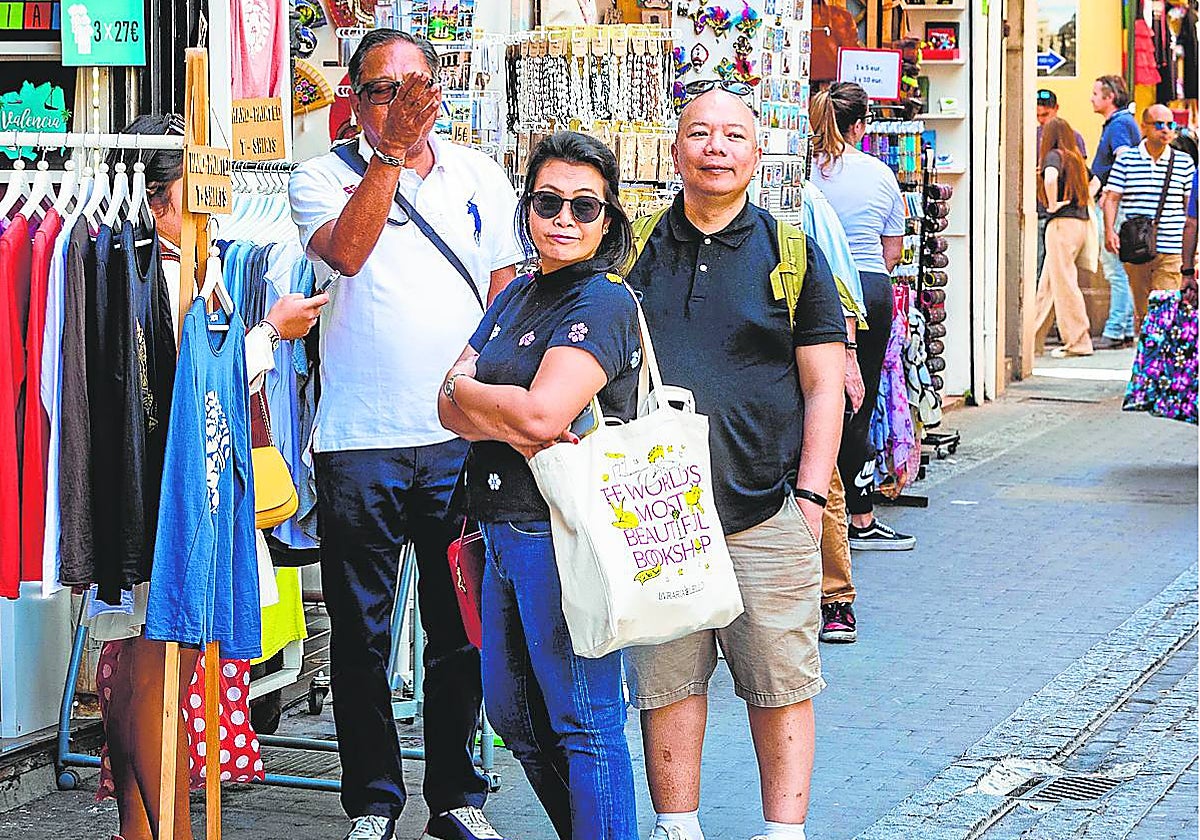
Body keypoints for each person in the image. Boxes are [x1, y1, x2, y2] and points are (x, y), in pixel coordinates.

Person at [288, 29, 522, 840]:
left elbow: (503, 295)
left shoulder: (480, 176)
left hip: (459, 437)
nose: (403, 103)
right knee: (361, 631)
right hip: (360, 437)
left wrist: (485, 391)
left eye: (416, 86)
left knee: (458, 626)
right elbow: (347, 255)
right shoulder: (321, 177)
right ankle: (374, 801)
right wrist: (386, 156)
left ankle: (457, 796)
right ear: (354, 98)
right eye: (383, 89)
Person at [624, 84, 847, 840]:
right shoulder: (635, 248)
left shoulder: (792, 255)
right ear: (676, 148)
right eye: (699, 133)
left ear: (758, 153)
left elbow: (825, 388)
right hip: (660, 517)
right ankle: (675, 827)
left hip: (766, 509)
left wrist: (811, 499)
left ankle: (784, 832)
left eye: (733, 136)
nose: (715, 147)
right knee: (667, 681)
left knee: (780, 681)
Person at [99, 114, 326, 840]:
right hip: (162, 492)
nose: (217, 207)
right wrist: (269, 334)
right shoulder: (148, 269)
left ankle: (145, 826)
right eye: (202, 193)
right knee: (159, 659)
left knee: (156, 658)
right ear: (162, 199)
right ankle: (161, 825)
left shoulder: (191, 262)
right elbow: (193, 393)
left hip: (170, 487)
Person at [438, 130, 641, 839]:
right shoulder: (519, 293)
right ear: (527, 208)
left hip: (560, 531)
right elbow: (443, 405)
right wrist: (508, 417)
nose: (564, 218)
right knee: (513, 716)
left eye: (584, 207)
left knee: (585, 720)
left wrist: (476, 396)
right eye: (548, 201)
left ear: (609, 220)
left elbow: (544, 411)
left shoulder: (604, 302)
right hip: (496, 527)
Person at [809, 83, 915, 555]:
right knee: (859, 399)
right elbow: (892, 249)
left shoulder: (802, 173)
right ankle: (859, 512)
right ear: (859, 126)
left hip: (811, 283)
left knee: (811, 396)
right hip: (868, 286)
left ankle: (812, 503)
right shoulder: (878, 173)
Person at [1101, 105, 1197, 336]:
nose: (1165, 130)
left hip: (1172, 249)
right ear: (1144, 127)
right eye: (1159, 125)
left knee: (1166, 312)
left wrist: (1192, 251)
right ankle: (1147, 364)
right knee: (1144, 314)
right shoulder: (1126, 160)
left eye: (1170, 125)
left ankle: (1161, 366)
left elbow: (1190, 210)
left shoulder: (1184, 163)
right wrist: (1109, 232)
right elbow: (1112, 198)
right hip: (1137, 248)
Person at [1033, 116, 1096, 357]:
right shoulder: (1075, 158)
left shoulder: (1053, 156)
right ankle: (1032, 341)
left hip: (1060, 225)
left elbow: (1049, 177)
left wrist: (1052, 204)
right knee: (1048, 286)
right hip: (1079, 222)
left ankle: (1078, 342)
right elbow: (1097, 180)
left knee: (1065, 285)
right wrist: (1080, 200)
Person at [1089, 75, 1143, 348]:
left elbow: (1124, 158)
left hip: (1114, 204)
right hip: (1116, 201)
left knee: (1115, 268)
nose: (1092, 98)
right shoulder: (1121, 123)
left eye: (1096, 93)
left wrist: (1110, 191)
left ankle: (1115, 329)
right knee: (1119, 268)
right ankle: (1121, 330)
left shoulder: (1119, 124)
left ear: (1109, 97)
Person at [1036, 89, 1088, 279]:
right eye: (1038, 115)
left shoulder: (1072, 138)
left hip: (1057, 213)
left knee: (1052, 272)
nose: (1042, 120)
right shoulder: (1031, 136)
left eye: (1045, 114)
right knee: (1047, 272)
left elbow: (1082, 174)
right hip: (1042, 210)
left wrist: (1055, 203)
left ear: (1056, 109)